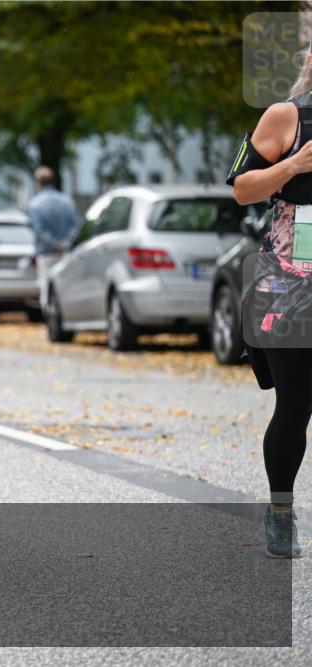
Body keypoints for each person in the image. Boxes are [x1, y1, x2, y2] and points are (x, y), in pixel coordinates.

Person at [228, 40, 312, 558]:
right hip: (290, 285)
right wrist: (294, 165)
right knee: (297, 404)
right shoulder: (286, 117)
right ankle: (281, 511)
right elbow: (242, 188)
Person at [26, 166, 80, 313]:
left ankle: (51, 322)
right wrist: (65, 244)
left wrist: (55, 244)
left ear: (38, 183)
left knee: (46, 289)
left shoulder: (34, 204)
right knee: (65, 287)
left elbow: (40, 231)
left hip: (46, 254)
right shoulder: (67, 200)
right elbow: (75, 225)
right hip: (66, 253)